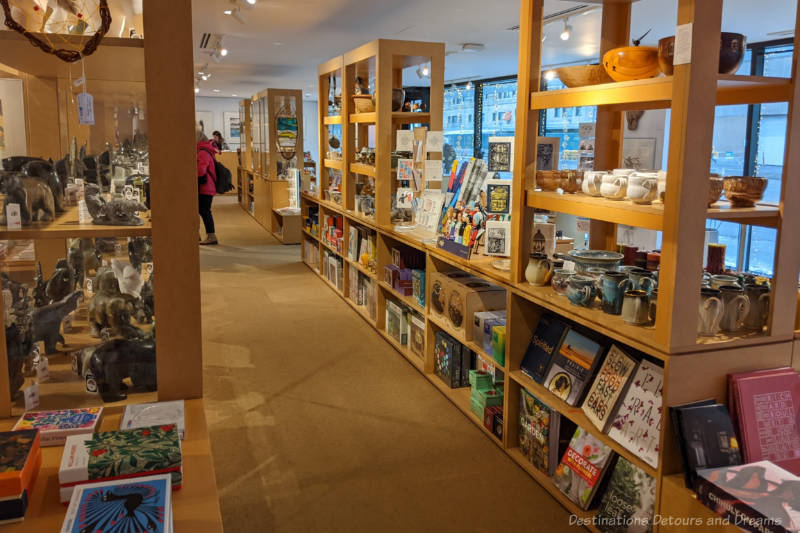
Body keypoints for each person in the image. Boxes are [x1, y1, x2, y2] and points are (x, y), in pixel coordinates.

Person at [197, 129, 219, 245]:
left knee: (204, 211)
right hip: (207, 187)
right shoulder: (206, 150)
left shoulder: (202, 152)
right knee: (202, 210)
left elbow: (201, 171)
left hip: (205, 187)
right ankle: (206, 235)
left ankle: (211, 236)